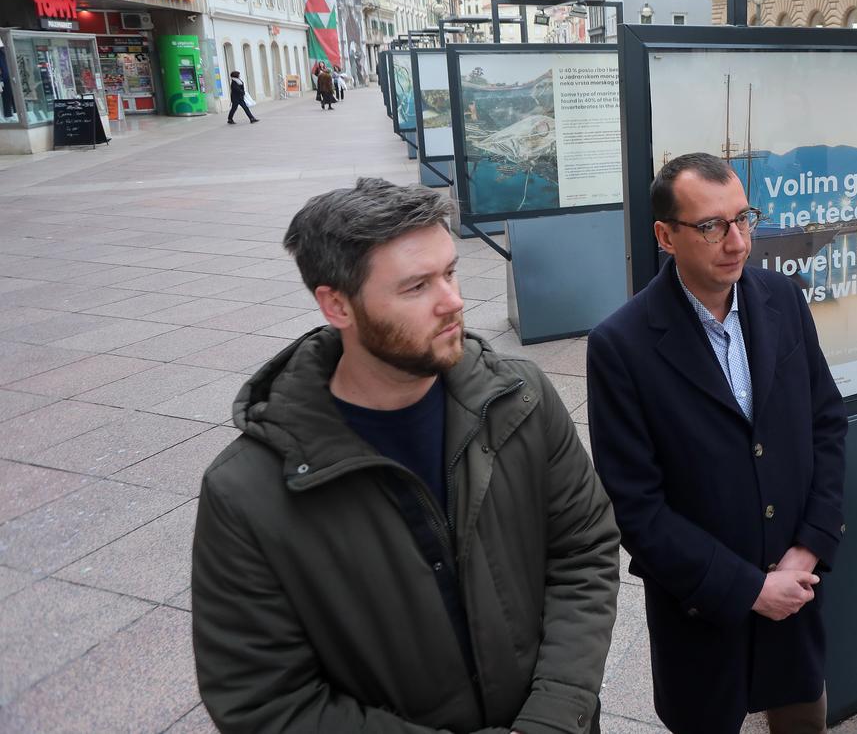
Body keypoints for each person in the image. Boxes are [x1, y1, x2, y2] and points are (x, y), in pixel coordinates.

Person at [191, 177, 620, 733]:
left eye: (450, 271)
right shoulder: (247, 492)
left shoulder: (522, 399)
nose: (454, 301)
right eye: (417, 286)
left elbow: (584, 549)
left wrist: (554, 717)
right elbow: (266, 700)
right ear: (336, 305)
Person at [587, 153, 848, 734]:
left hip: (796, 586)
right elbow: (637, 509)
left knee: (804, 718)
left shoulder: (783, 299)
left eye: (743, 218)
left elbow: (827, 422)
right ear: (665, 235)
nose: (736, 241)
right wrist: (751, 588)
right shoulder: (621, 346)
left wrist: (811, 546)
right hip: (701, 612)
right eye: (711, 226)